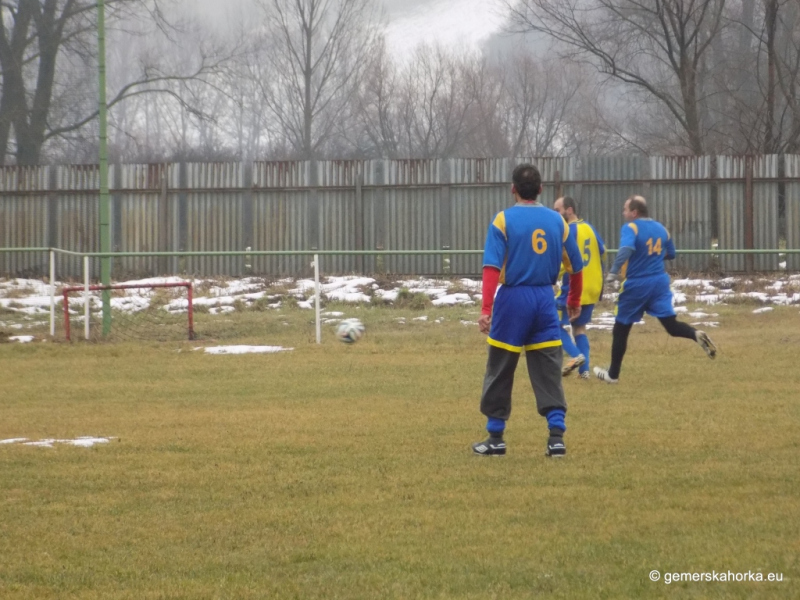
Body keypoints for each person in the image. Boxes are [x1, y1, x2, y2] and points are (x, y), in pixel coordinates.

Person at [472, 164, 584, 458]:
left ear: (513, 189)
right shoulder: (558, 222)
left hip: (513, 300)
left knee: (500, 367)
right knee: (548, 367)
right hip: (545, 300)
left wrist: (486, 308)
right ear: (541, 189)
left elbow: (491, 267)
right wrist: (574, 299)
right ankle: (556, 437)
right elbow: (576, 265)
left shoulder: (503, 220)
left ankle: (495, 438)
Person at [594, 195, 717, 384]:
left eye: (625, 209)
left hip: (637, 283)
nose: (623, 213)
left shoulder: (631, 227)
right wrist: (652, 258)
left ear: (634, 212)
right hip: (660, 282)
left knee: (621, 328)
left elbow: (626, 249)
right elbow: (671, 253)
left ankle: (613, 375)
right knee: (671, 326)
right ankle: (695, 334)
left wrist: (612, 272)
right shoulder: (661, 229)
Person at [553, 196, 606, 379]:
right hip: (592, 288)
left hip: (574, 288)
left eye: (558, 210)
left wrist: (552, 275)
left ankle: (576, 356)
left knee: (554, 324)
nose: (556, 215)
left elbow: (566, 260)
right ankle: (584, 372)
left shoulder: (567, 231)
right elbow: (603, 251)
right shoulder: (589, 228)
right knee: (579, 328)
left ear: (569, 210)